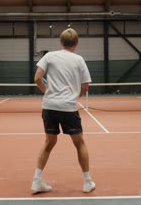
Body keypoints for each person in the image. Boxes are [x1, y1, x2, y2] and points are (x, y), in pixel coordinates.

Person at [31, 28, 96, 194]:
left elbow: (37, 78)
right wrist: (74, 97)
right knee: (79, 143)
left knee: (49, 142)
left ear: (61, 42)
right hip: (68, 107)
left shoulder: (49, 56)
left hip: (49, 106)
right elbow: (85, 86)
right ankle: (87, 182)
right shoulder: (79, 60)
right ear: (76, 43)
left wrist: (48, 92)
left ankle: (36, 181)